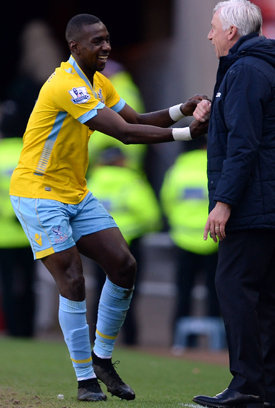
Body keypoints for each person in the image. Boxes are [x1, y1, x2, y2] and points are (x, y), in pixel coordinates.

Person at [9, 14, 209, 402]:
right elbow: (124, 134)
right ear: (75, 48)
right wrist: (186, 133)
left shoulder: (99, 82)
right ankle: (85, 380)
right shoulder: (67, 84)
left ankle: (102, 359)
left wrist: (181, 110)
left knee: (124, 265)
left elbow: (134, 118)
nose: (106, 47)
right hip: (38, 192)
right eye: (97, 41)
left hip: (74, 192)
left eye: (107, 39)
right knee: (73, 279)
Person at [192, 1, 275, 408]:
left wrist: (223, 203)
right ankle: (266, 389)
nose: (208, 35)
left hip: (251, 205)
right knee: (267, 297)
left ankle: (246, 384)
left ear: (231, 32)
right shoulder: (262, 66)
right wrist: (215, 112)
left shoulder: (243, 70)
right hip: (267, 203)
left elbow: (245, 145)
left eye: (212, 28)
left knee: (234, 287)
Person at [87, 146, 162, 345]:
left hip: (99, 246)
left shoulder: (91, 182)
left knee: (100, 291)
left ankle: (96, 339)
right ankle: (129, 340)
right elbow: (150, 216)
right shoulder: (132, 181)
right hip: (128, 246)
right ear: (122, 161)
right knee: (127, 294)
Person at [160, 138, 220, 349]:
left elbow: (167, 201)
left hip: (183, 240)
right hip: (214, 240)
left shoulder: (177, 170)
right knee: (217, 293)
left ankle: (180, 342)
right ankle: (219, 343)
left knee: (183, 292)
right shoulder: (218, 166)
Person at [0, 136, 36, 337]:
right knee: (29, 284)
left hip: (3, 235)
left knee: (8, 285)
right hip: (30, 233)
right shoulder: (30, 152)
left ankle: (13, 329)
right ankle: (28, 329)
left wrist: (8, 213)